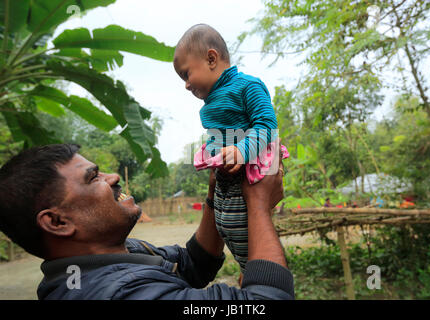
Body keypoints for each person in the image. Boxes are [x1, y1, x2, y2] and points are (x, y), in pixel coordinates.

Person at [0, 144, 293, 300]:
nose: (112, 178)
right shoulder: (120, 294)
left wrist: (215, 194)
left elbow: (193, 264)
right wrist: (257, 206)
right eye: (93, 177)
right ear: (57, 222)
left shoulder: (103, 259)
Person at [173, 24, 289, 275]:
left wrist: (241, 150)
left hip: (247, 177)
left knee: (247, 237)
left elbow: (267, 125)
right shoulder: (211, 101)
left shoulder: (247, 86)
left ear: (211, 59)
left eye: (186, 74)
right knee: (228, 229)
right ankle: (251, 275)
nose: (185, 85)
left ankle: (263, 280)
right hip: (226, 181)